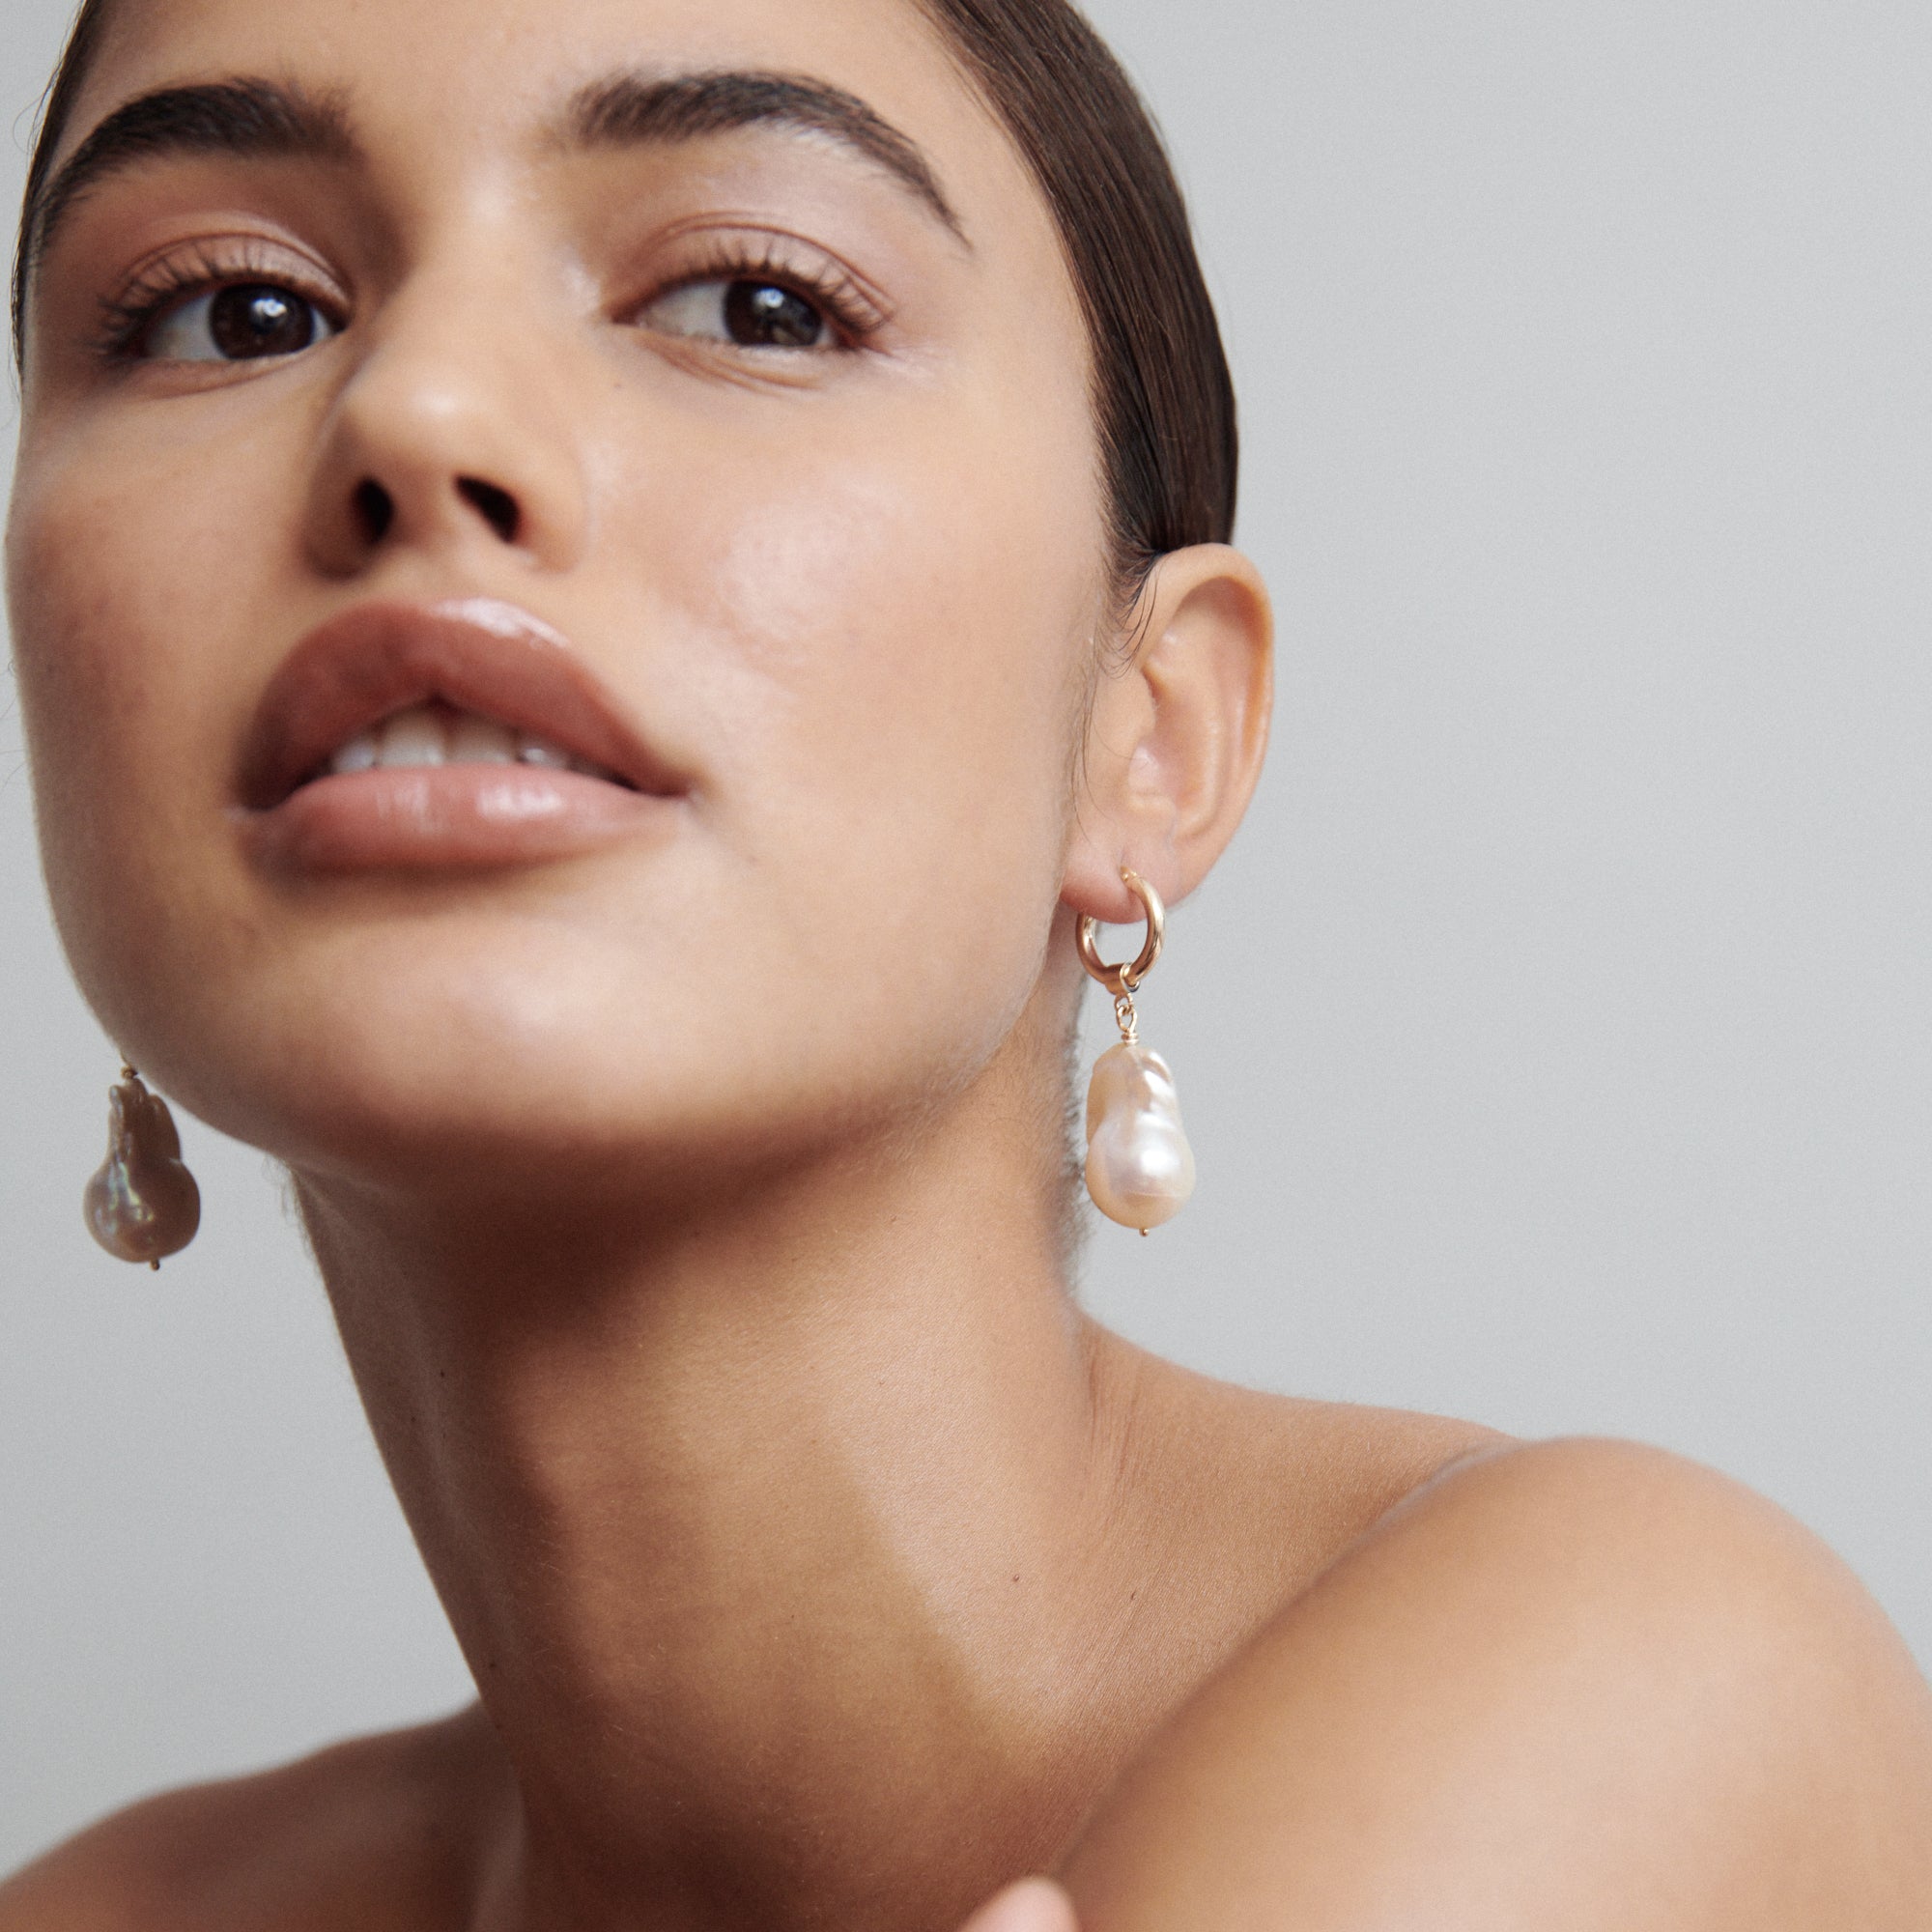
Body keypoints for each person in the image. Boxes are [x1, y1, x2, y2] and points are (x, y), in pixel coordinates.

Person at [2, 0, 1928, 1924]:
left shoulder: (1625, 1685)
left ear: (1149, 732)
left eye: (755, 303)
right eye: (229, 314)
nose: (415, 414)